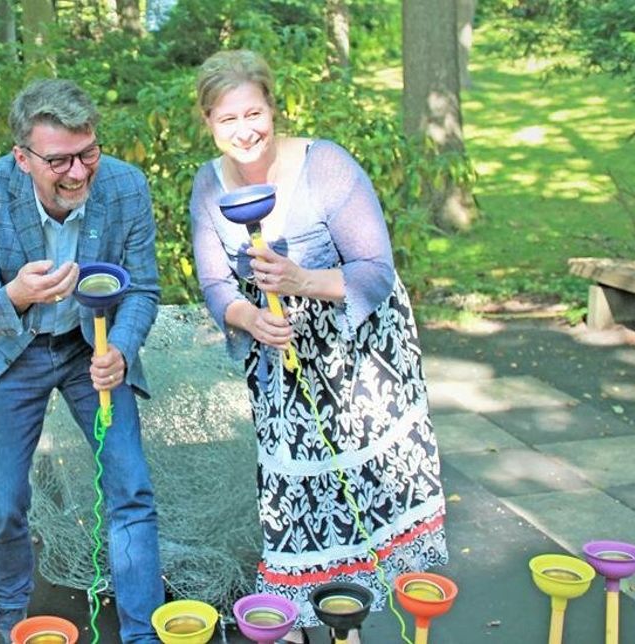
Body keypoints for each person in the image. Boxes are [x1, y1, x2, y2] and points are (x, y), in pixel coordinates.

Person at [189, 50, 449, 641]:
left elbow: (375, 270)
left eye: (253, 114)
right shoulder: (208, 185)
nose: (244, 131)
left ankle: (351, 616)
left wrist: (300, 281)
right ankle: (303, 614)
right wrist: (251, 318)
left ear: (273, 109)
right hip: (279, 355)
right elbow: (215, 284)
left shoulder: (324, 164)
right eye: (227, 119)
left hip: (358, 350)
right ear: (208, 122)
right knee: (293, 490)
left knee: (363, 482)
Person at [0, 78, 164, 643]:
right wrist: (18, 294)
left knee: (131, 486)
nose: (77, 172)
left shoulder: (124, 185)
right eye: (59, 161)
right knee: (1, 505)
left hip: (90, 346)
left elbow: (143, 289)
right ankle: (9, 615)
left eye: (87, 153)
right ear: (22, 158)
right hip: (10, 350)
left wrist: (120, 349)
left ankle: (142, 632)